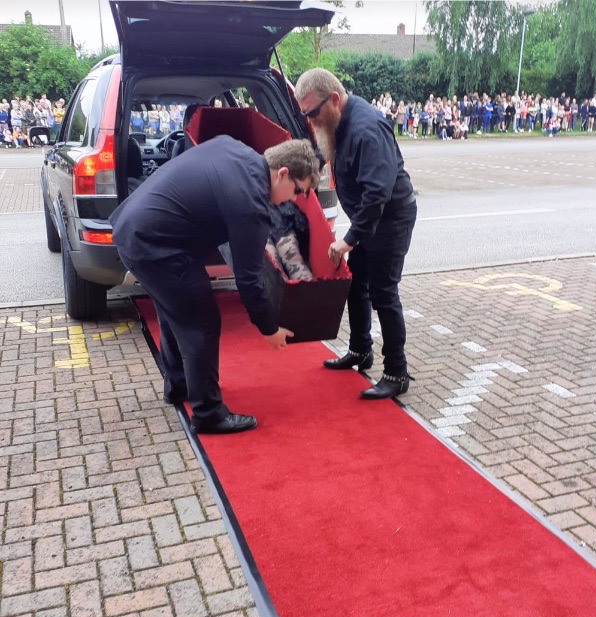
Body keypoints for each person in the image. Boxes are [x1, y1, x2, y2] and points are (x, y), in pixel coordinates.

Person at [110, 136, 319, 434]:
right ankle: (208, 413)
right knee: (202, 321)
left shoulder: (236, 148)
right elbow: (249, 279)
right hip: (154, 244)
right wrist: (269, 329)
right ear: (282, 173)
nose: (295, 199)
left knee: (175, 308)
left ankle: (179, 385)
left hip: (135, 227)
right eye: (298, 190)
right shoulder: (252, 202)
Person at [294, 67, 417, 400]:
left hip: (390, 218)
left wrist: (348, 240)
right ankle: (360, 350)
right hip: (369, 217)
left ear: (334, 100)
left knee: (383, 293)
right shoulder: (336, 121)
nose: (310, 120)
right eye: (304, 114)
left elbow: (377, 194)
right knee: (355, 283)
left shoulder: (366, 129)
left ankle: (397, 372)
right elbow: (325, 155)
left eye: (313, 112)